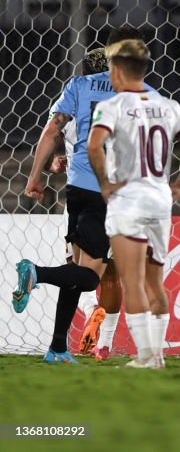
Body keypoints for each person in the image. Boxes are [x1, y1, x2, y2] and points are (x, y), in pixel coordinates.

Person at [15, 27, 153, 364]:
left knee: (77, 269)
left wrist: (35, 176)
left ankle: (58, 347)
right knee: (92, 275)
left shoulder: (79, 85)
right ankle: (36, 273)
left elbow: (51, 129)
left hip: (76, 187)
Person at [82, 40, 180, 368]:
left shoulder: (111, 106)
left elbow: (94, 147)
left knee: (132, 279)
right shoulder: (167, 105)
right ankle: (158, 356)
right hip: (159, 200)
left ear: (119, 70)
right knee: (155, 280)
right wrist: (179, 184)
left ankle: (145, 357)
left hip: (128, 201)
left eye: (110, 68)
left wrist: (105, 184)